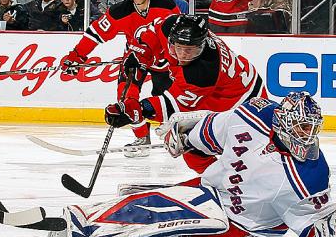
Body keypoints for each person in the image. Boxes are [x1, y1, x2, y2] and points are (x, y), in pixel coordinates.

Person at [53, 91, 336, 237]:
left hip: (246, 228)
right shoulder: (253, 116)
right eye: (302, 127)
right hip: (212, 191)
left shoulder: (311, 175)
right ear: (284, 122)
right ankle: (85, 221)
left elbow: (318, 233)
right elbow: (210, 130)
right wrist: (184, 137)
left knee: (173, 234)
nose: (309, 135)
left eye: (312, 128)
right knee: (149, 204)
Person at [104, 14, 266, 172]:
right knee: (188, 141)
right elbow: (146, 41)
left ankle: (224, 182)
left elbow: (171, 107)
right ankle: (219, 179)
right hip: (227, 90)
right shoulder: (170, 25)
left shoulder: (203, 71)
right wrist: (137, 62)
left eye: (190, 50)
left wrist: (135, 110)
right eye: (178, 48)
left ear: (202, 46)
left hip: (243, 105)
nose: (182, 55)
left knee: (192, 145)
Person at [61, 0, 179, 154]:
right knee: (125, 98)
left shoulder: (166, 6)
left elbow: (177, 35)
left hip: (164, 60)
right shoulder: (119, 11)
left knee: (168, 100)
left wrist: (163, 53)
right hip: (135, 57)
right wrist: (76, 56)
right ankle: (141, 137)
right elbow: (95, 34)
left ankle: (173, 133)